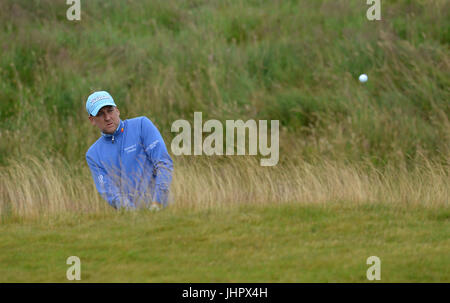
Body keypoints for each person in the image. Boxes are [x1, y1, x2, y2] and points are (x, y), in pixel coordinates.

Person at [85, 91, 173, 210]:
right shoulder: (93, 154)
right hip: (129, 218)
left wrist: (157, 202)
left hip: (163, 208)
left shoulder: (142, 125)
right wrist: (132, 213)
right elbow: (109, 191)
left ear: (117, 110)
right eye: (100, 114)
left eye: (110, 110)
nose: (107, 117)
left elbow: (163, 163)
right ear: (92, 120)